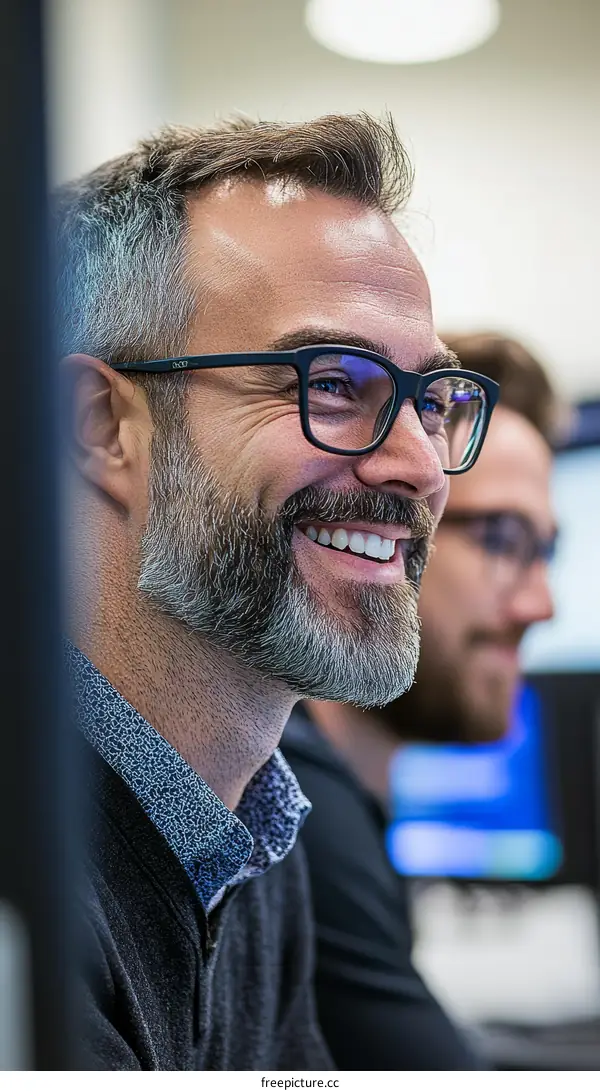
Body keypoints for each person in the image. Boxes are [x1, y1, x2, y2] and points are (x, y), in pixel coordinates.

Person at [56, 116, 498, 1070]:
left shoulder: (252, 835)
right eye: (332, 383)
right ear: (103, 427)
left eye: (429, 400)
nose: (421, 465)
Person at [282, 332, 557, 1070]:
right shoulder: (296, 817)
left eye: (546, 551)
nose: (543, 603)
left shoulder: (337, 803)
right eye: (503, 538)